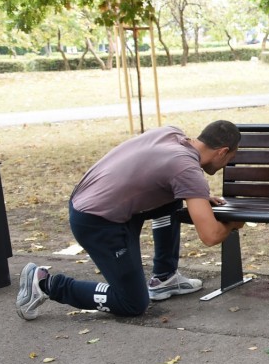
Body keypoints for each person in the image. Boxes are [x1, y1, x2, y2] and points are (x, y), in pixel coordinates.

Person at [16, 120, 246, 320]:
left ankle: (165, 277)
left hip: (93, 201)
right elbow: (210, 236)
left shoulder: (171, 134)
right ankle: (45, 284)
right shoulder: (186, 170)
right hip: (97, 221)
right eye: (231, 158)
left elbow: (158, 173)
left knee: (173, 199)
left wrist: (199, 196)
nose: (227, 164)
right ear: (222, 152)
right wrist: (233, 223)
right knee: (132, 303)